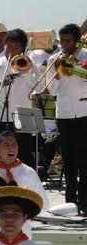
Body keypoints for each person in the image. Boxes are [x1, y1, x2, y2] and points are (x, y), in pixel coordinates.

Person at [0, 29, 40, 168]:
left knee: (24, 156)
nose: (11, 51)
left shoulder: (32, 66)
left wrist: (25, 72)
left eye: (16, 47)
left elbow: (38, 87)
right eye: (9, 46)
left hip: (24, 115)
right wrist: (0, 84)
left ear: (23, 49)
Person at [48, 23, 87, 214]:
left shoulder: (85, 56)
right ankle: (71, 202)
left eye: (68, 41)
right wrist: (57, 74)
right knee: (69, 161)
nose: (64, 45)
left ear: (77, 41)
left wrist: (76, 68)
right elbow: (52, 90)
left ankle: (85, 202)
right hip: (64, 114)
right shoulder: (54, 59)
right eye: (62, 41)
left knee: (84, 161)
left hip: (84, 112)